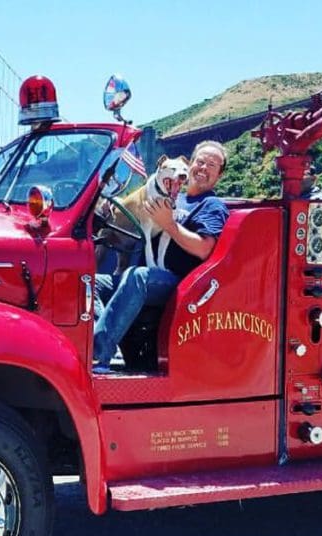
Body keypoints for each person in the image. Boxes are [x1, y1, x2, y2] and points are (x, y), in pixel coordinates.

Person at [93, 141, 230, 373]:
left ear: (219, 174)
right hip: (143, 277)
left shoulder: (212, 205)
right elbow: (137, 223)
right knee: (90, 282)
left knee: (138, 276)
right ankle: (100, 341)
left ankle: (99, 356)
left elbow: (205, 248)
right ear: (191, 164)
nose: (203, 167)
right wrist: (110, 211)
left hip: (181, 284)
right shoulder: (170, 196)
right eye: (200, 161)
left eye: (212, 164)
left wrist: (171, 225)